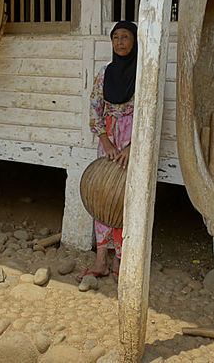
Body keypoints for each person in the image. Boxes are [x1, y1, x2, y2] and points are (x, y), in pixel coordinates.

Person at [78, 21, 137, 282]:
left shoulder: (144, 74)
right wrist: (108, 143)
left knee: (124, 200)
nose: (120, 42)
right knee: (103, 196)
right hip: (109, 142)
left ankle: (120, 261)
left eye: (125, 37)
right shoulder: (104, 73)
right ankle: (101, 260)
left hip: (134, 143)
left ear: (135, 41)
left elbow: (152, 114)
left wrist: (133, 147)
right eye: (115, 38)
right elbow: (95, 110)